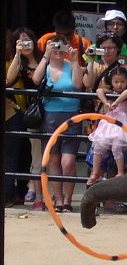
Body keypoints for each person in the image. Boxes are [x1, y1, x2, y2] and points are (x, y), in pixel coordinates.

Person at [31, 38, 85, 212]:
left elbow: (78, 84)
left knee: (68, 161)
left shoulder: (71, 64)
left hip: (71, 117)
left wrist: (75, 60)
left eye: (62, 46)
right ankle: (59, 200)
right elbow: (36, 79)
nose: (59, 50)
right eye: (55, 46)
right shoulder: (45, 66)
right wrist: (46, 55)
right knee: (53, 160)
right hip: (50, 117)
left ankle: (68, 200)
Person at [86, 67, 127, 185]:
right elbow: (99, 91)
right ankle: (95, 172)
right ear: (111, 82)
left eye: (122, 82)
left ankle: (120, 171)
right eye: (116, 82)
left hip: (123, 123)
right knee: (99, 145)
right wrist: (105, 102)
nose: (119, 85)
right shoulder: (111, 92)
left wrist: (116, 102)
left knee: (116, 146)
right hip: (110, 122)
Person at [4, 28, 38, 206]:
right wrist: (18, 54)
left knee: (27, 156)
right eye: (18, 42)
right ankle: (10, 195)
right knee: (13, 154)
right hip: (15, 113)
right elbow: (8, 81)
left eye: (27, 41)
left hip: (34, 114)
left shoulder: (42, 60)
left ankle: (23, 191)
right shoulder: (15, 62)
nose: (23, 45)